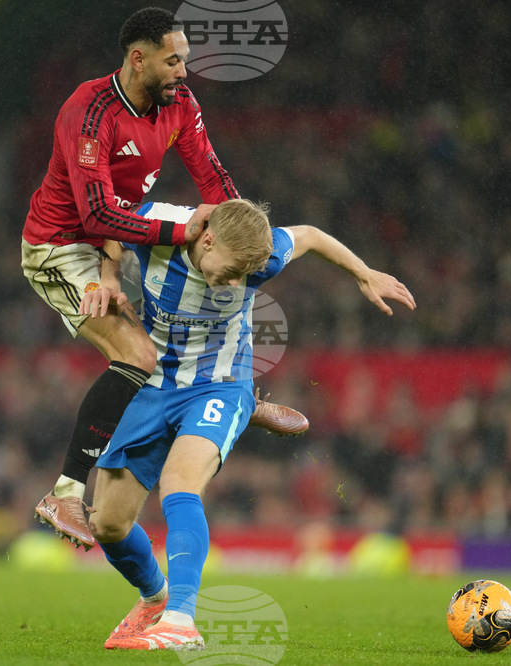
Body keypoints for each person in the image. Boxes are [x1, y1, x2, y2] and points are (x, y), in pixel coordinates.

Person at [21, 8, 307, 551]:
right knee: (137, 357)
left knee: (211, 275)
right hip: (63, 246)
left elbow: (213, 176)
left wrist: (246, 240)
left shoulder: (180, 105)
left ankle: (233, 390)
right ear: (139, 59)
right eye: (173, 59)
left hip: (119, 236)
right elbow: (98, 215)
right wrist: (173, 236)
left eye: (185, 59)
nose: (184, 70)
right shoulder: (89, 113)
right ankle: (63, 492)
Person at [81, 199, 416, 650]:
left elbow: (311, 235)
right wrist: (107, 278)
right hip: (153, 384)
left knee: (179, 484)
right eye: (234, 270)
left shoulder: (264, 254)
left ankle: (181, 620)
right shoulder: (157, 225)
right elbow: (111, 226)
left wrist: (363, 272)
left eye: (247, 273)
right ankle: (157, 598)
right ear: (207, 238)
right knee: (107, 524)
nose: (237, 282)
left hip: (219, 384)